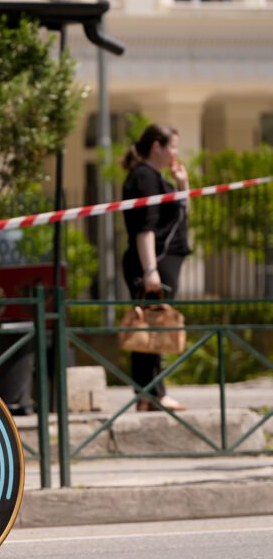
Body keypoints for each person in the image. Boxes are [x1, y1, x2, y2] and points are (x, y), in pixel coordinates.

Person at [121, 123, 191, 412]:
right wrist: (151, 270)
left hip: (160, 263)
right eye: (172, 146)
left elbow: (182, 213)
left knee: (155, 330)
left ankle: (150, 394)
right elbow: (144, 229)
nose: (176, 152)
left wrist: (182, 184)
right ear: (157, 147)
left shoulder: (156, 177)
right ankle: (151, 394)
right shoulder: (145, 177)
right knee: (149, 331)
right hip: (152, 264)